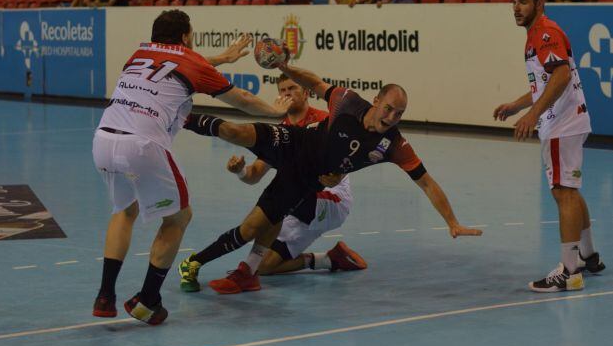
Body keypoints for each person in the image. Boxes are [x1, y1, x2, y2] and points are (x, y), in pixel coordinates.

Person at [177, 56, 482, 295]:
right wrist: (285, 66)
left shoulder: (393, 145)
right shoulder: (346, 103)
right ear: (376, 101)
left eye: (398, 114)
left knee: (252, 227)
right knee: (236, 131)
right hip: (293, 144)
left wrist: (452, 222)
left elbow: (426, 181)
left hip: (312, 184)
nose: (391, 118)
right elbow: (316, 81)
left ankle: (202, 264)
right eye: (388, 109)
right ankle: (181, 117)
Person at [91, 12, 290, 325]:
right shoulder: (193, 63)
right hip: (143, 145)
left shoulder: (139, 54)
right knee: (179, 217)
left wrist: (221, 58)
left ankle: (105, 295)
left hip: (103, 139)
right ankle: (148, 300)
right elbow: (243, 99)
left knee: (124, 212)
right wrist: (276, 113)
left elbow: (171, 67)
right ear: (185, 37)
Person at [207, 75, 367, 294]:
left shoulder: (324, 121)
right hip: (298, 202)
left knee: (277, 201)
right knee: (265, 265)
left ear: (307, 93)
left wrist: (338, 173)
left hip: (331, 200)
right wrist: (241, 171)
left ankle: (245, 273)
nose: (287, 93)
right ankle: (330, 259)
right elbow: (254, 175)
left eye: (292, 88)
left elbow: (350, 154)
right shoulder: (280, 132)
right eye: (282, 90)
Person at [493, 0, 603, 293]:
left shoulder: (544, 32)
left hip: (562, 124)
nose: (516, 8)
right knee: (569, 189)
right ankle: (588, 254)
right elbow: (546, 81)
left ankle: (569, 271)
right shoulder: (537, 35)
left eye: (523, 1)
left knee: (563, 192)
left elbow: (562, 74)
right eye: (513, 1)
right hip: (570, 120)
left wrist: (533, 114)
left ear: (540, 4)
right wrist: (518, 104)